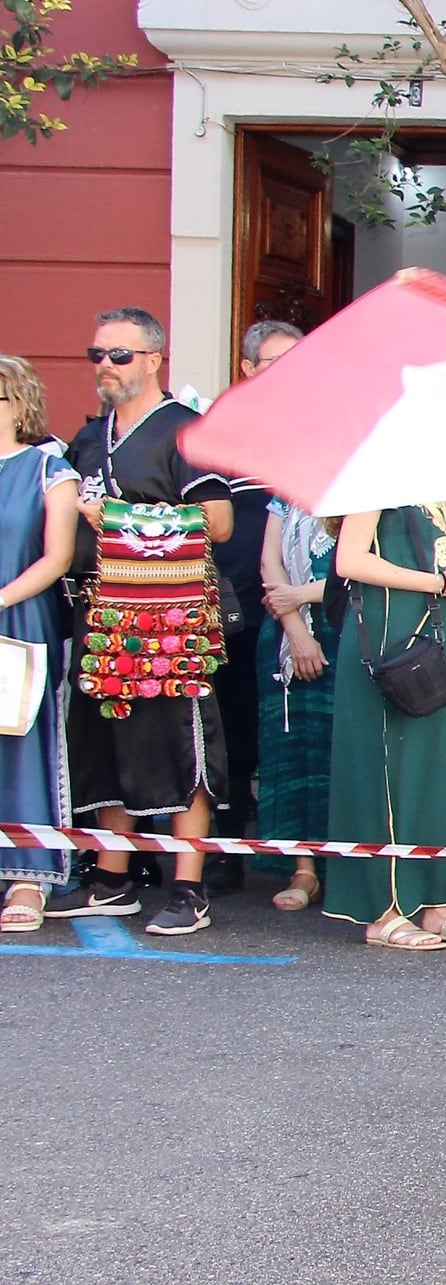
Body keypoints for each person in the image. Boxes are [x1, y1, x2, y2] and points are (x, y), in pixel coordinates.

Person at [45, 308, 234, 936]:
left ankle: (188, 887)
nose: (105, 366)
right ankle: (111, 877)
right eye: (96, 354)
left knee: (181, 746)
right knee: (103, 745)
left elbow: (220, 521)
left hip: (169, 616)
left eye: (120, 355)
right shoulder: (87, 437)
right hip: (98, 613)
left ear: (154, 359)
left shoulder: (185, 430)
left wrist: (125, 523)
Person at [322, 503, 446, 949]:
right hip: (386, 637)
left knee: (441, 768)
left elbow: (441, 549)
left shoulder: (441, 481)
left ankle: (439, 901)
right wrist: (441, 584)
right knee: (388, 771)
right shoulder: (378, 475)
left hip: (434, 632)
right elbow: (350, 561)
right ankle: (384, 912)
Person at [203, 322, 298, 899]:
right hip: (232, 607)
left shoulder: (321, 433)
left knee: (297, 734)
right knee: (232, 736)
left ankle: (306, 859)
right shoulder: (221, 434)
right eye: (273, 363)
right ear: (247, 369)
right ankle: (227, 850)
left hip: (301, 607)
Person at [0, 356, 80, 933]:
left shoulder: (48, 468)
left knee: (23, 740)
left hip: (20, 616)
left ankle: (28, 877)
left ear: (18, 403)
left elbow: (56, 557)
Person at [255, 499, 337, 912]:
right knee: (296, 748)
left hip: (348, 626)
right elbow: (270, 562)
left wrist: (299, 595)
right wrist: (297, 631)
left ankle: (351, 866)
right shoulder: (286, 492)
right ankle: (303, 868)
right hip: (287, 632)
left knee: (343, 751)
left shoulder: (368, 481)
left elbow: (361, 568)